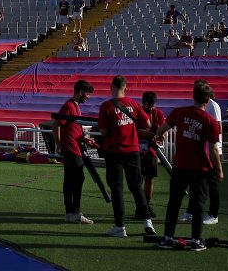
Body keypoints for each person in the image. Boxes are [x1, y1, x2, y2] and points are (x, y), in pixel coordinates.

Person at [155, 81, 223, 252]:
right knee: (199, 204)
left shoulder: (179, 112)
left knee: (174, 202)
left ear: (193, 96)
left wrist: (160, 135)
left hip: (180, 165)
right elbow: (214, 149)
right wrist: (220, 169)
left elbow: (161, 129)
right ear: (208, 100)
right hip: (200, 168)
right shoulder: (210, 121)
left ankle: (168, 238)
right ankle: (196, 240)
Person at [97, 75, 155, 238]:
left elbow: (103, 131)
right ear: (126, 88)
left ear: (111, 87)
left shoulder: (106, 106)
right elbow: (147, 123)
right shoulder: (134, 103)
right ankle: (147, 220)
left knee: (117, 189)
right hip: (133, 150)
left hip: (114, 151)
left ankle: (120, 226)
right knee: (136, 186)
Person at [54, 79, 96, 224]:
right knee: (76, 179)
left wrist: (84, 139)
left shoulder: (75, 106)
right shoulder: (69, 106)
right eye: (88, 94)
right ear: (81, 92)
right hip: (71, 149)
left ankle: (71, 212)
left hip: (74, 147)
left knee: (72, 180)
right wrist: (59, 145)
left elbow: (72, 128)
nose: (88, 97)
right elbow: (57, 124)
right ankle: (74, 212)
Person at [181, 80, 222, 226]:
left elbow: (219, 128)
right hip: (200, 149)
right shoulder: (196, 105)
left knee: (212, 184)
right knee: (194, 182)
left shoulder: (213, 106)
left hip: (212, 149)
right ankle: (190, 210)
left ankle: (213, 213)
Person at [139, 91, 166, 218]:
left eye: (153, 106)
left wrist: (161, 136)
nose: (151, 108)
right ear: (143, 103)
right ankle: (140, 206)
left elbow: (161, 131)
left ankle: (147, 205)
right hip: (137, 151)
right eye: (149, 105)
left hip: (152, 151)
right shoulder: (137, 112)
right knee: (137, 180)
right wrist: (146, 134)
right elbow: (133, 130)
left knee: (149, 179)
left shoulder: (158, 113)